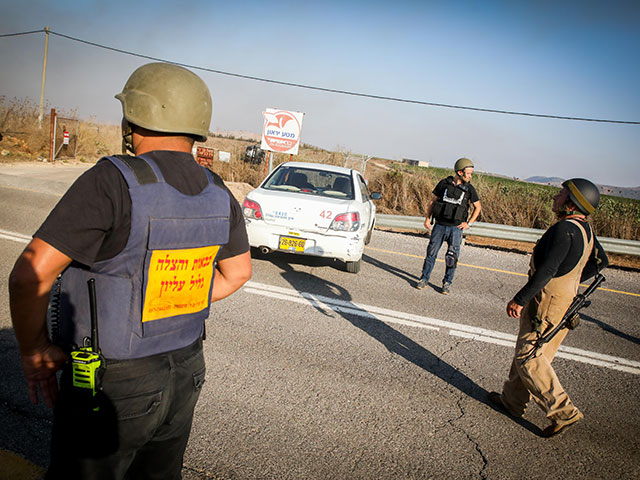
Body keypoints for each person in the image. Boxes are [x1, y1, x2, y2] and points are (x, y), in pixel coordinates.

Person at [9, 62, 252, 478]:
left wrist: (34, 352)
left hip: (115, 383)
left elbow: (30, 276)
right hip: (186, 372)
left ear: (135, 116)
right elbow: (236, 273)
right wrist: (169, 293)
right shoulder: (217, 189)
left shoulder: (113, 180)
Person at [489, 178, 608, 438]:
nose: (555, 197)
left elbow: (548, 270)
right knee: (533, 350)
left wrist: (520, 299)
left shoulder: (564, 229)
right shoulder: (584, 229)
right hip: (564, 301)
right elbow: (601, 261)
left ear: (571, 202)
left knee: (529, 357)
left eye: (561, 194)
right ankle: (512, 401)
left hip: (547, 301)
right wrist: (571, 280)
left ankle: (564, 411)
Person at [416, 157, 482, 294]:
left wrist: (468, 223)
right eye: (468, 173)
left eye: (471, 173)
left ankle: (447, 283)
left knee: (451, 257)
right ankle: (424, 279)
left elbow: (478, 207)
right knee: (431, 254)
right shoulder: (443, 184)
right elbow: (432, 202)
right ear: (459, 172)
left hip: (456, 229)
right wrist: (427, 219)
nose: (470, 176)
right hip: (439, 226)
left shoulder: (469, 189)